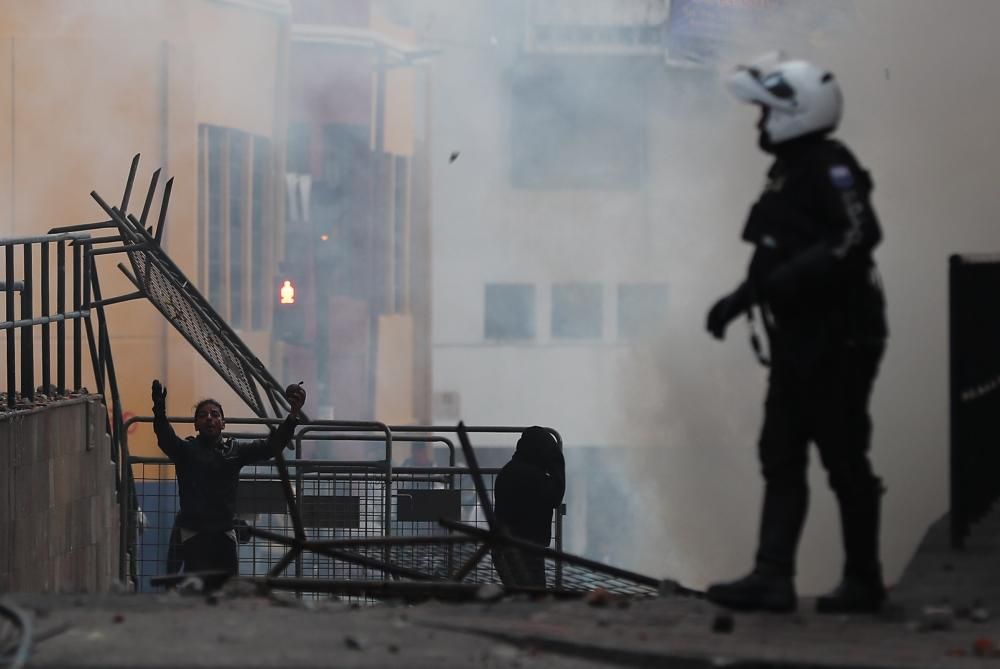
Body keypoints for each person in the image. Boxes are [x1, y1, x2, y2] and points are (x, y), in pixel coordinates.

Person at [704, 53, 888, 614]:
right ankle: (772, 576)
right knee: (781, 452)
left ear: (794, 111)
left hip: (840, 341)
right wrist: (739, 302)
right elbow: (775, 252)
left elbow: (859, 233)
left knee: (842, 456)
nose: (758, 124)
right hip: (800, 342)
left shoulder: (831, 165)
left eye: (764, 112)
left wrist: (790, 278)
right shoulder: (789, 170)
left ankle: (863, 579)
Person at [151, 379, 306, 576]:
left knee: (226, 589)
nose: (209, 418)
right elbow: (166, 438)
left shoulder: (235, 451)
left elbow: (270, 447)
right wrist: (159, 412)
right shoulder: (186, 451)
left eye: (215, 415)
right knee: (196, 589)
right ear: (196, 424)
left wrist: (292, 415)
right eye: (203, 415)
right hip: (193, 533)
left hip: (223, 532)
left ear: (223, 424)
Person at [492, 426, 565, 588]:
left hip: (506, 549)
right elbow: (555, 496)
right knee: (532, 600)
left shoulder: (510, 470)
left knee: (520, 598)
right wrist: (557, 463)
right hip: (524, 552)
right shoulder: (532, 476)